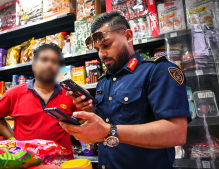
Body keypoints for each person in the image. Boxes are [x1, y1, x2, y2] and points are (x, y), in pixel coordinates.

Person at [61, 12, 191, 169]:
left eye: (107, 45)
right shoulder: (104, 82)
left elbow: (177, 133)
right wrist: (89, 110)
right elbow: (107, 123)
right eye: (97, 49)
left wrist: (109, 131)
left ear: (128, 36)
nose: (101, 54)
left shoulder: (158, 70)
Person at [0, 43, 79, 155]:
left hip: (61, 161)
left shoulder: (69, 93)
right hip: (26, 161)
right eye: (44, 60)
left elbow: (84, 119)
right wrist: (13, 139)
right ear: (34, 64)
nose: (49, 65)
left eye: (55, 61)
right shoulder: (14, 93)